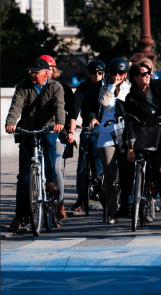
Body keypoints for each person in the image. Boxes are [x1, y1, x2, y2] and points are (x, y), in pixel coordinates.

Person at [5, 58, 65, 233]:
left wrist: (60, 123)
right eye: (30, 71)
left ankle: (50, 180)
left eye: (35, 72)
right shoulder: (23, 86)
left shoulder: (56, 87)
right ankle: (20, 215)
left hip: (49, 128)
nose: (31, 74)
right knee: (23, 177)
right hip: (28, 130)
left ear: (46, 73)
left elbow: (59, 107)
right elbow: (16, 106)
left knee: (48, 142)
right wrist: (10, 123)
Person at [125, 62, 161, 228]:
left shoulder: (158, 86)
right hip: (141, 133)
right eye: (143, 74)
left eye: (148, 72)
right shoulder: (131, 96)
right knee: (126, 164)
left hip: (159, 133)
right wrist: (130, 148)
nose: (147, 75)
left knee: (159, 171)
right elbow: (129, 123)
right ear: (135, 78)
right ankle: (128, 203)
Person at [95, 58, 132, 224]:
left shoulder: (130, 88)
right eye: (115, 73)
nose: (118, 76)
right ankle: (111, 211)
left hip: (125, 133)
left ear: (125, 74)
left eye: (121, 73)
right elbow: (104, 102)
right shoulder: (104, 87)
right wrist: (111, 86)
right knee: (110, 176)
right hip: (107, 134)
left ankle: (128, 204)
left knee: (126, 172)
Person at [38, 55, 75, 220]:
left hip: (57, 130)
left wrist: (69, 129)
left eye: (51, 68)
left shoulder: (63, 88)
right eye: (45, 68)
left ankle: (60, 203)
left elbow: (70, 110)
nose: (49, 71)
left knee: (55, 166)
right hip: (38, 129)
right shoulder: (33, 87)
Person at [69, 60, 105, 212]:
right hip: (87, 126)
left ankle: (99, 184)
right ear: (88, 74)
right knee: (82, 163)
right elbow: (75, 108)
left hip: (105, 128)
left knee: (98, 150)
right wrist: (71, 129)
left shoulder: (106, 87)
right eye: (94, 73)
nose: (97, 76)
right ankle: (82, 198)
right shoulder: (83, 87)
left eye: (100, 73)